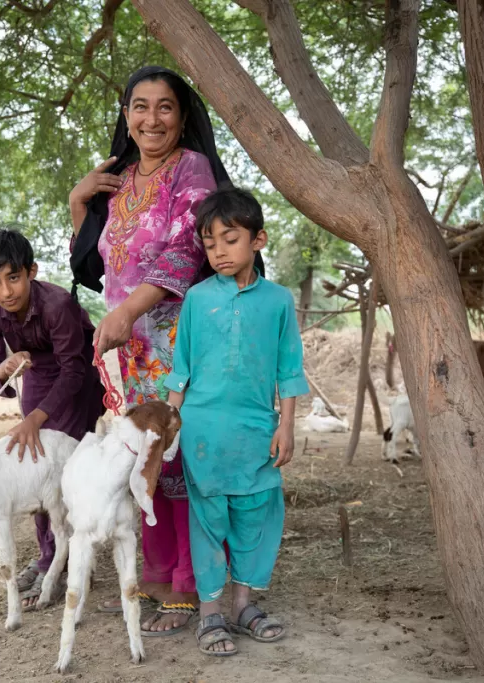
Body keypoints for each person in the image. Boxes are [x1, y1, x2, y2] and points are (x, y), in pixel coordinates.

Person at [68, 66, 264, 635]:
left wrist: (129, 311)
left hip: (181, 338)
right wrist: (81, 202)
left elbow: (184, 251)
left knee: (178, 458)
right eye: (140, 106)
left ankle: (189, 584)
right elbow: (94, 261)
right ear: (125, 114)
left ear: (183, 117)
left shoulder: (192, 170)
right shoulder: (120, 177)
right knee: (141, 454)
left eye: (165, 108)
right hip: (131, 348)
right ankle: (155, 580)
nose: (151, 119)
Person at [165, 185, 309, 657]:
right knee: (208, 519)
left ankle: (244, 606)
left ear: (258, 240)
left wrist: (285, 426)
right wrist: (170, 426)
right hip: (201, 431)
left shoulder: (279, 301)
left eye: (230, 239)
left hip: (256, 431)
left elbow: (289, 371)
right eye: (209, 244)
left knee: (255, 517)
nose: (219, 252)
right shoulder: (197, 299)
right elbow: (180, 369)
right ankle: (210, 615)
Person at [0, 228, 106, 608]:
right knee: (37, 467)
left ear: (31, 271)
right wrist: (2, 370)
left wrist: (35, 418)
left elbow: (74, 370)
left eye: (13, 277)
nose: (6, 291)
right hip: (36, 373)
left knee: (64, 470)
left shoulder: (57, 304)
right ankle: (50, 557)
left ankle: (69, 561)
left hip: (76, 377)